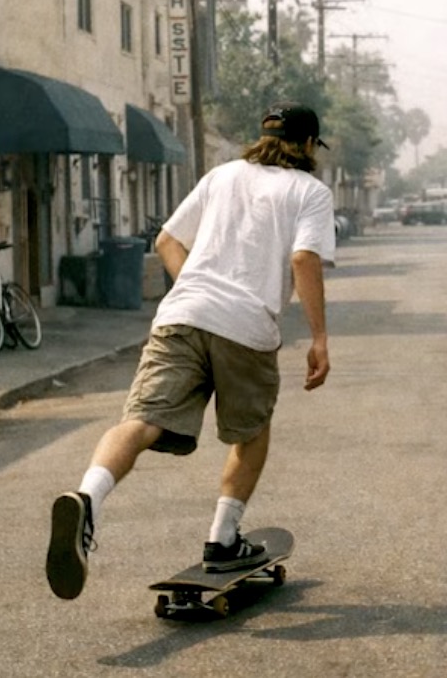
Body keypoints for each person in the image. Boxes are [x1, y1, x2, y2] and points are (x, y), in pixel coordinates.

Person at [45, 101, 338, 600]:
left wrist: (198, 289)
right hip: (245, 328)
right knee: (251, 432)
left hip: (181, 314)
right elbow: (305, 257)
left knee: (139, 421)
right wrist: (319, 338)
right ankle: (222, 540)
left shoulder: (221, 176)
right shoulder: (309, 192)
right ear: (309, 145)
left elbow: (166, 241)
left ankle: (87, 498)